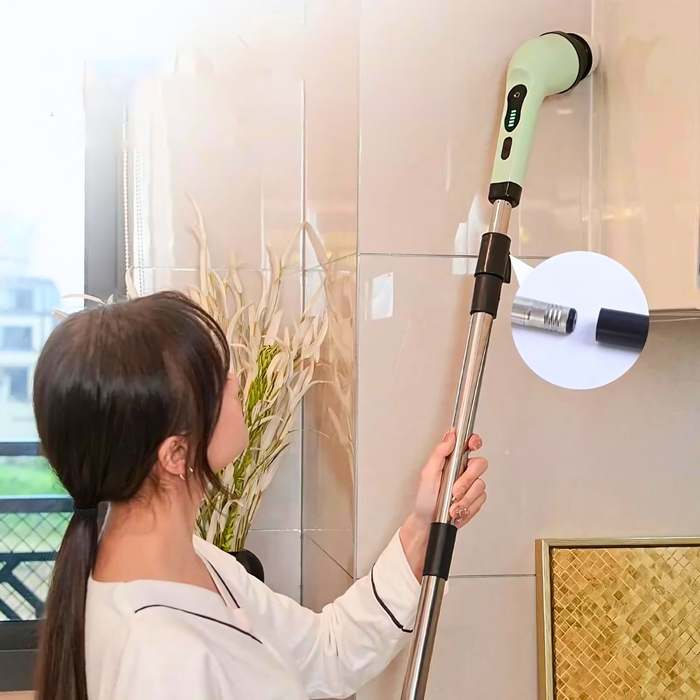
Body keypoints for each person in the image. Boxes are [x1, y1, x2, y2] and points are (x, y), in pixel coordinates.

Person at [33, 292, 488, 700]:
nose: (234, 380)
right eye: (214, 380)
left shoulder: (189, 559)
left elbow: (326, 653)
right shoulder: (158, 657)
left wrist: (421, 525)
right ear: (175, 453)